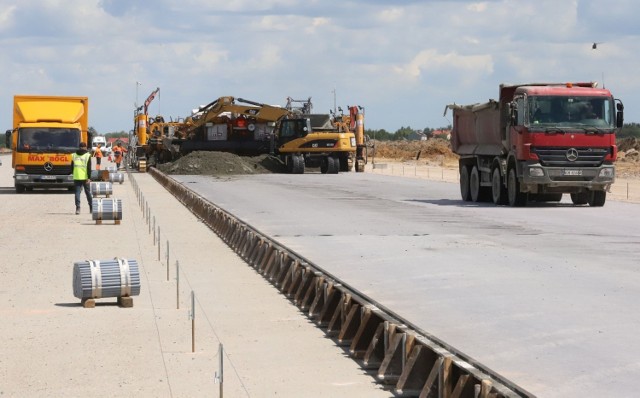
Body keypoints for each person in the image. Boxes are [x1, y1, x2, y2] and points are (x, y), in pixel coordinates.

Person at [71, 142, 92, 215]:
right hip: (85, 177)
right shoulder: (87, 155)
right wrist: (89, 177)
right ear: (85, 147)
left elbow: (72, 166)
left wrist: (73, 173)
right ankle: (91, 208)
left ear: (79, 147)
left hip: (76, 176)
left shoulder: (74, 155)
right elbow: (89, 168)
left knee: (77, 193)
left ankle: (78, 209)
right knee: (88, 192)